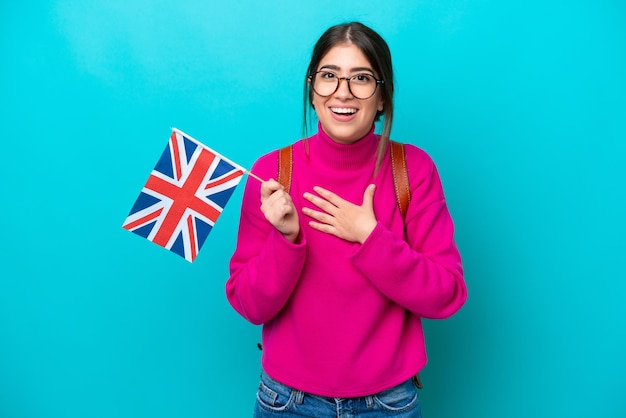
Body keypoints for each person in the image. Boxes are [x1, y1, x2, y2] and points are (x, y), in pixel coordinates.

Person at [226, 22, 467, 417]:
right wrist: (285, 240)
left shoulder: (413, 170)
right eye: (329, 76)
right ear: (312, 89)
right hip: (286, 402)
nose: (343, 91)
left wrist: (371, 238)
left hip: (388, 404)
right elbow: (250, 305)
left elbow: (447, 295)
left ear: (383, 96)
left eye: (361, 78)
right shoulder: (273, 174)